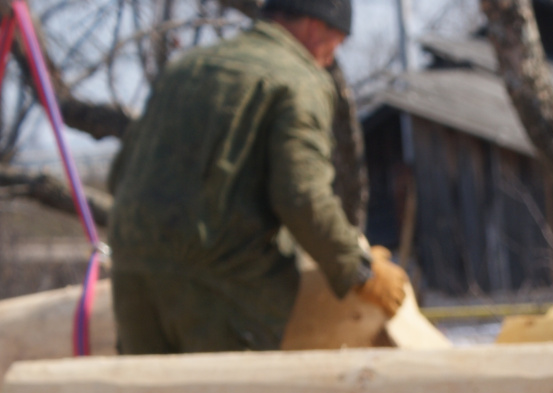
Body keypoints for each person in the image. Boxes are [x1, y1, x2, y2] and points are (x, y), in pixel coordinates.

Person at [106, 0, 406, 353]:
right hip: (221, 289)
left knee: (148, 389)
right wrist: (360, 270)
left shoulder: (186, 68)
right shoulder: (298, 80)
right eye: (334, 46)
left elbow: (120, 174)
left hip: (133, 274)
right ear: (314, 28)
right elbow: (302, 195)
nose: (329, 60)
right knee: (226, 391)